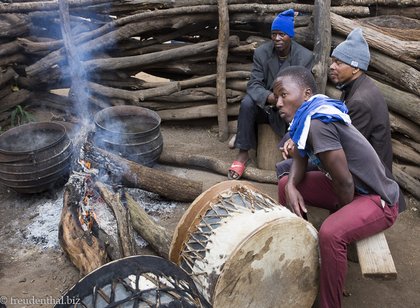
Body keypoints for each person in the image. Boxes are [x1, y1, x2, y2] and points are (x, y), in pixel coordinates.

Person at [275, 66, 400, 308]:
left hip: (377, 199)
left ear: (306, 94)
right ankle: (297, 250)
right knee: (283, 185)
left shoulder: (319, 123)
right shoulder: (306, 116)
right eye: (276, 97)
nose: (278, 103)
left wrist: (343, 216)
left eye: (283, 95)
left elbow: (345, 182)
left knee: (331, 233)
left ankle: (328, 303)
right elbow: (300, 157)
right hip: (351, 190)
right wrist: (291, 185)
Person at [228, 9, 314, 180]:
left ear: (290, 35)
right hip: (267, 104)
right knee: (247, 103)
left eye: (282, 34)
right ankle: (243, 152)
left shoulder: (304, 57)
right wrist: (270, 98)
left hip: (290, 109)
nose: (277, 39)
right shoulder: (262, 53)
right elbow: (254, 84)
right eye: (274, 34)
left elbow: (301, 90)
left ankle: (293, 153)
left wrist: (283, 100)